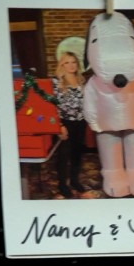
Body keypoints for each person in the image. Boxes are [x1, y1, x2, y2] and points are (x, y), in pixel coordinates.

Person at [52, 50, 88, 198]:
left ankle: (74, 180)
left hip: (81, 121)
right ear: (62, 65)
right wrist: (59, 126)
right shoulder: (56, 82)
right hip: (65, 123)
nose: (71, 65)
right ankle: (62, 184)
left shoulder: (81, 80)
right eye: (67, 62)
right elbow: (52, 106)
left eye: (73, 62)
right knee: (63, 155)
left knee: (77, 153)